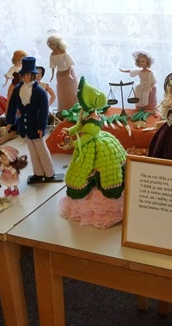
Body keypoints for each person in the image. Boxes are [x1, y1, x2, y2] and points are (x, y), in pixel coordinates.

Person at [58, 76, 126, 229]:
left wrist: (75, 143)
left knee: (103, 171)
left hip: (95, 144)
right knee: (80, 172)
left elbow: (90, 135)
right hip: (86, 145)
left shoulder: (95, 117)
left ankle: (106, 208)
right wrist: (69, 131)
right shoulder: (84, 112)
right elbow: (79, 127)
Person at [6, 57, 60, 184]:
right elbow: (12, 106)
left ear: (33, 75)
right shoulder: (17, 89)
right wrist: (10, 121)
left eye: (28, 75)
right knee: (32, 152)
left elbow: (44, 110)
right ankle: (38, 173)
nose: (25, 77)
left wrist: (41, 126)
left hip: (36, 126)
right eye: (24, 74)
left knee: (42, 150)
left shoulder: (40, 91)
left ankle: (49, 173)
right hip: (24, 126)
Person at [46, 34, 79, 112]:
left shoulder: (64, 53)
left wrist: (69, 74)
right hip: (60, 74)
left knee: (71, 91)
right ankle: (64, 109)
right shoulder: (52, 55)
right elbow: (53, 66)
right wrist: (52, 75)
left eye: (53, 45)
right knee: (62, 92)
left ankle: (74, 108)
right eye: (50, 45)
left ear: (58, 44)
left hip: (68, 72)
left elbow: (69, 64)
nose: (52, 46)